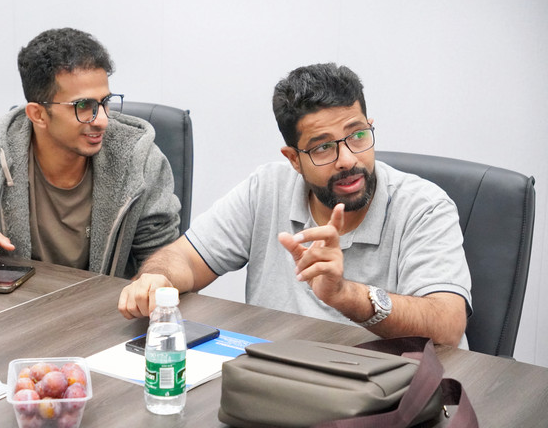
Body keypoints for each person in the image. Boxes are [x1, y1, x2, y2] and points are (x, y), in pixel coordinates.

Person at [118, 63, 472, 348]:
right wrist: (156, 277)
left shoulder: (424, 206)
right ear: (293, 159)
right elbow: (185, 258)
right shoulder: (267, 187)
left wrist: (346, 295)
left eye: (358, 135)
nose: (347, 159)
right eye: (322, 147)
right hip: (283, 380)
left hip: (386, 392)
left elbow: (448, 325)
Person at [0, 27, 180, 279]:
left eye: (105, 102)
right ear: (37, 114)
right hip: (17, 308)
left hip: (101, 310)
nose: (101, 120)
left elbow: (165, 259)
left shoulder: (138, 161)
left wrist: (151, 283)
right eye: (83, 106)